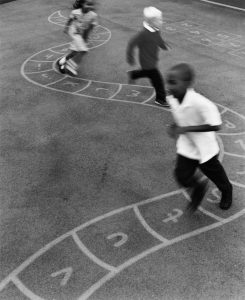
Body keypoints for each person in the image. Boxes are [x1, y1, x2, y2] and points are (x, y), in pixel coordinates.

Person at [166, 63, 233, 212]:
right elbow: (180, 116)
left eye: (173, 82)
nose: (169, 86)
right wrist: (174, 125)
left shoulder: (201, 103)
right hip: (188, 145)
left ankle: (227, 190)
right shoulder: (172, 98)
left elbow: (216, 125)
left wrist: (187, 128)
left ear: (187, 83)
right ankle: (198, 188)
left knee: (215, 175)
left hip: (205, 147)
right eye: (168, 81)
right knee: (182, 175)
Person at [126, 6, 171, 107]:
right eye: (159, 20)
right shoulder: (143, 34)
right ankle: (160, 99)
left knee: (146, 73)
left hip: (153, 59)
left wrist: (164, 46)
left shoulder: (156, 30)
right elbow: (131, 44)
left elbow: (158, 39)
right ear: (151, 22)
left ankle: (133, 74)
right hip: (147, 62)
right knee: (158, 81)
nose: (162, 21)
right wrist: (130, 58)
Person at [57, 0, 98, 76]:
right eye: (88, 4)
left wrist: (85, 38)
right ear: (82, 4)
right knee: (84, 50)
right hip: (74, 31)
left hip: (82, 33)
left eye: (91, 5)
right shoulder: (75, 12)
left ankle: (61, 61)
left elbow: (90, 28)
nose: (90, 6)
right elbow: (70, 20)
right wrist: (66, 28)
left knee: (75, 51)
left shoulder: (93, 15)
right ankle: (71, 67)